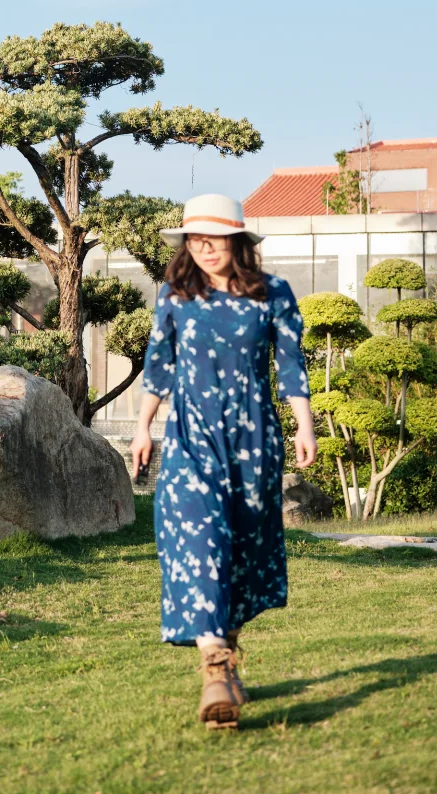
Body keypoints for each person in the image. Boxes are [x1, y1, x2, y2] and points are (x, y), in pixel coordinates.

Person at [130, 192, 317, 729]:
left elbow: (290, 363)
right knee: (198, 536)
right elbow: (159, 366)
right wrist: (143, 426)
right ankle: (214, 667)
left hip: (254, 438)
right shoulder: (176, 295)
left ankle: (227, 652)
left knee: (240, 547)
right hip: (191, 436)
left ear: (237, 240)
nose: (205, 247)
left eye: (214, 237)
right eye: (195, 238)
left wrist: (304, 423)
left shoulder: (272, 293)